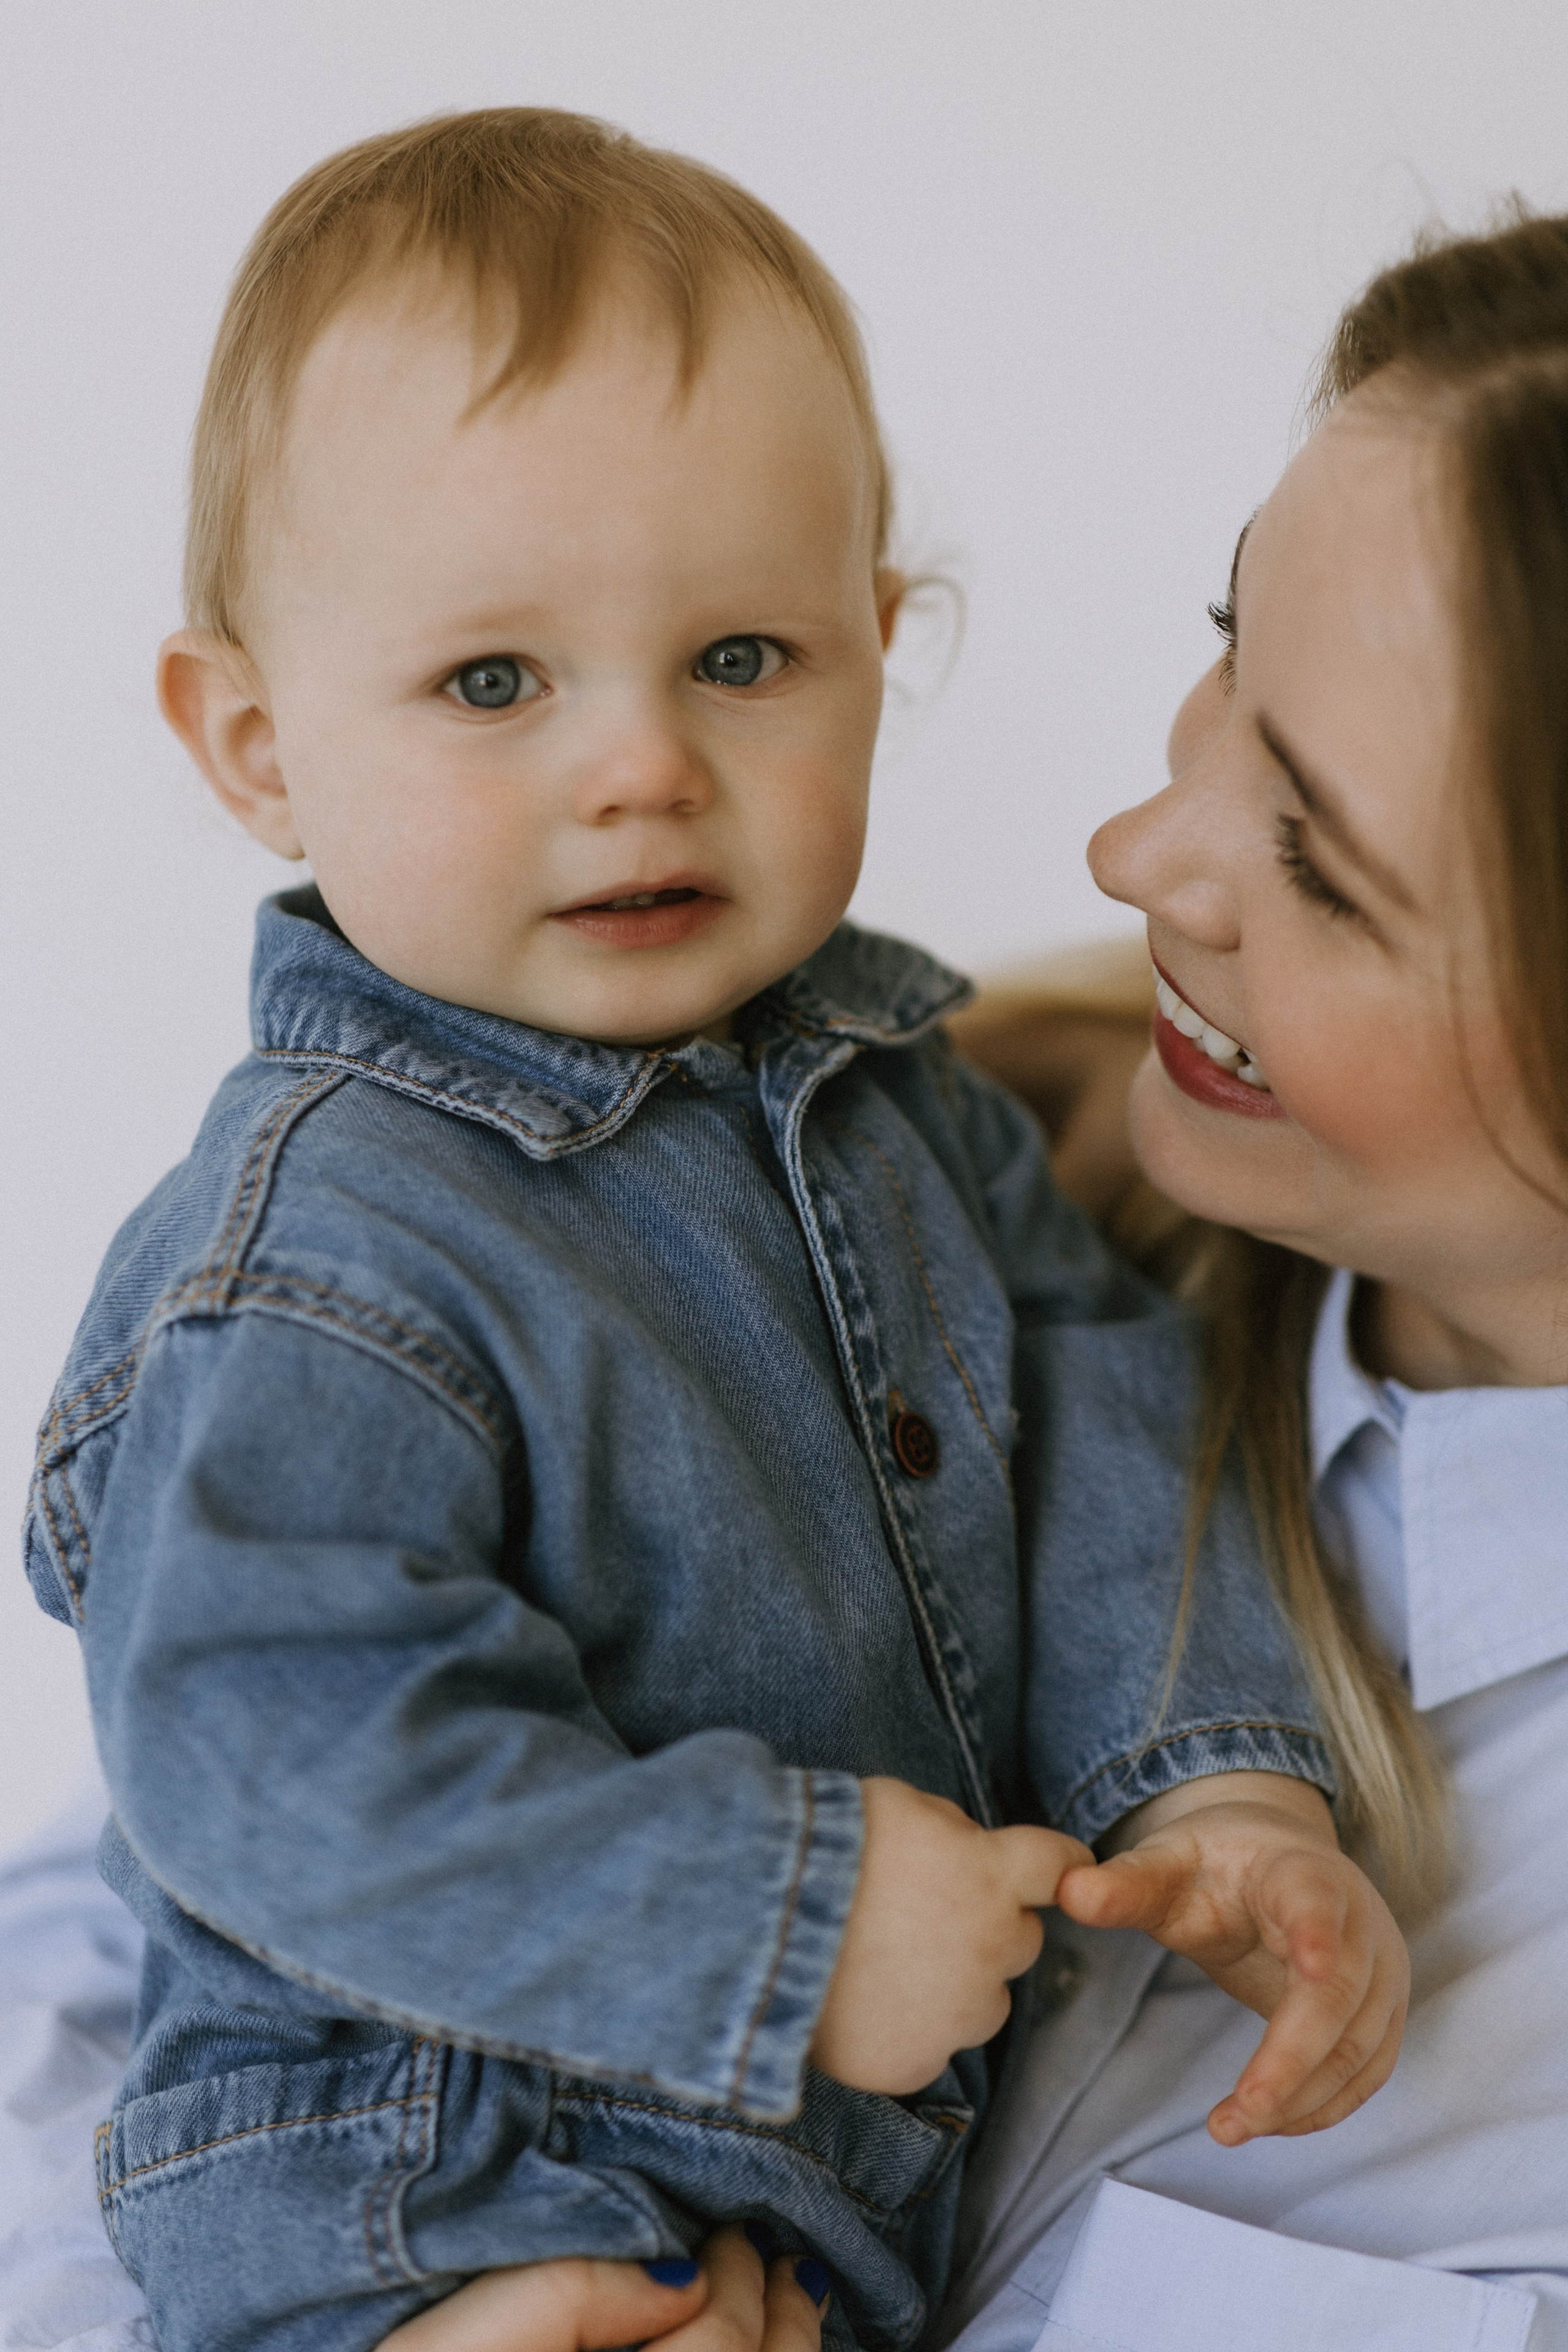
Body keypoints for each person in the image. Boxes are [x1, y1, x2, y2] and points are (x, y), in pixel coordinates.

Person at [18, 105, 1406, 2352]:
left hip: (828, 2205)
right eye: (496, 684)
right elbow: (266, 1752)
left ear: (880, 644)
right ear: (257, 745)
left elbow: (1111, 1433)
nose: (640, 766)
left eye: (743, 660)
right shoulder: (321, 1251)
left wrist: (1227, 1785)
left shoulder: (905, 1113)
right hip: (419, 2181)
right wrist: (785, 1926)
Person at [932, 206, 1568, 2352]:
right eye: (1229, 646)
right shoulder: (945, 1165)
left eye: (1320, 859)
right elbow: (119, 1939)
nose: (1138, 852)